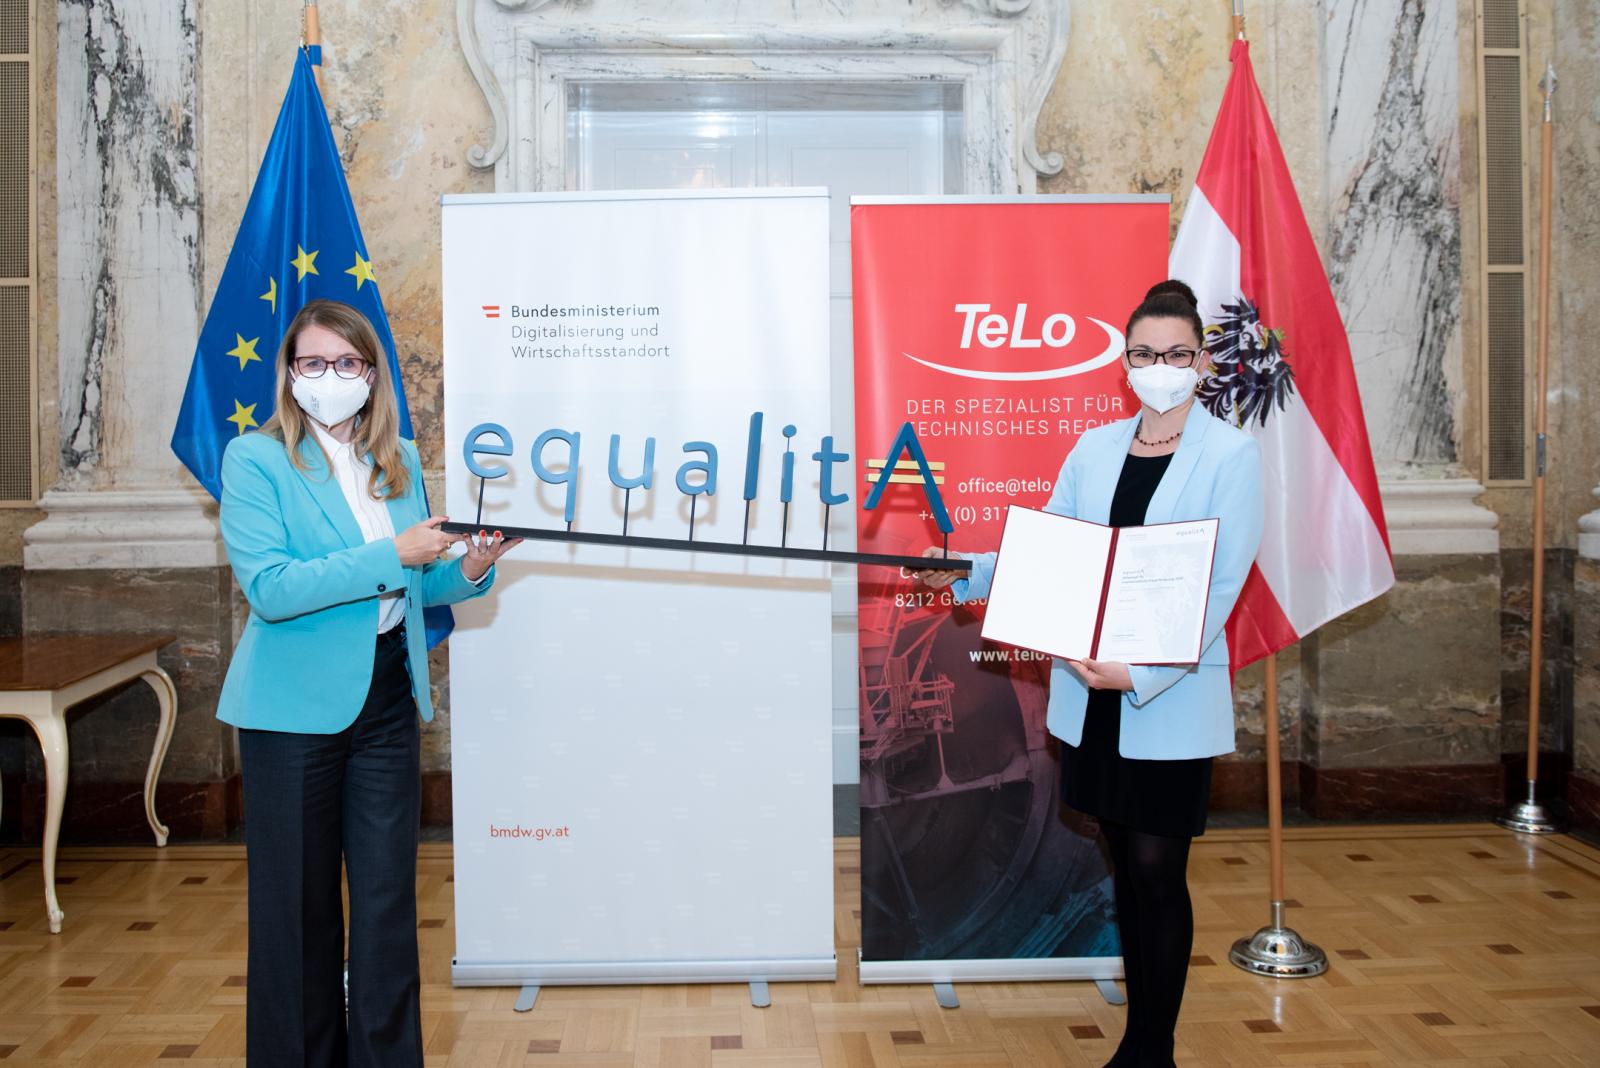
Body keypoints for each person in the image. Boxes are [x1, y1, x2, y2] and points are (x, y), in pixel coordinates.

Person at [914, 280, 1263, 1068]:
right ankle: (1140, 1038)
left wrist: (1136, 672)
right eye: (1145, 354)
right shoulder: (1094, 448)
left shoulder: (1232, 456)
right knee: (1124, 867)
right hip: (1088, 694)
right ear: (1125, 363)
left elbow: (1220, 587)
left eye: (1176, 354)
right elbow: (1054, 554)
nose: (1160, 368)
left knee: (1158, 869)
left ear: (1201, 361)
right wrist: (966, 571)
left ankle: (1152, 1050)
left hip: (1163, 696)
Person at [216, 299, 520, 1067]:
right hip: (290, 713)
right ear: (290, 374)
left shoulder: (400, 459)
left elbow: (414, 586)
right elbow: (273, 589)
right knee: (298, 911)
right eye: (313, 363)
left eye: (347, 363)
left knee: (387, 907)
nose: (331, 377)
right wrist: (395, 553)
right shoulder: (256, 460)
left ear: (372, 375)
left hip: (387, 699)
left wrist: (470, 566)